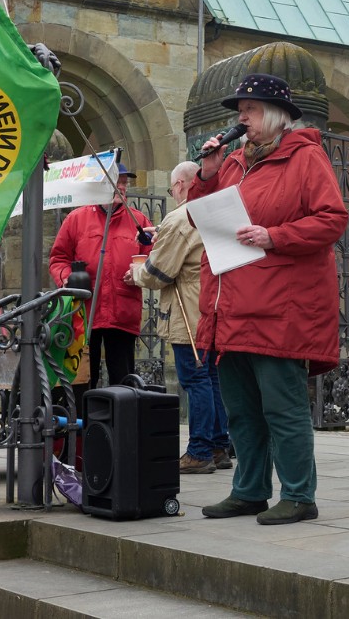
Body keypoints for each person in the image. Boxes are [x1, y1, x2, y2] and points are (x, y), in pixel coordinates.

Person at [190, 73, 348, 525]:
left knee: (283, 407)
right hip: (233, 304)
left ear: (276, 116)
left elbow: (332, 219)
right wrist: (206, 174)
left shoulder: (306, 157)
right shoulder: (235, 163)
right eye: (240, 112)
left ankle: (299, 494)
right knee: (242, 410)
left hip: (281, 306)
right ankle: (249, 490)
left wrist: (274, 236)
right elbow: (205, 216)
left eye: (250, 110)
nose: (242, 119)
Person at [131, 161, 231, 475]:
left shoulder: (179, 217)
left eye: (173, 187)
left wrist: (136, 273)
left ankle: (199, 451)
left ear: (181, 185)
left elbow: (159, 273)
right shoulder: (213, 211)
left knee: (195, 380)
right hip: (213, 306)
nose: (172, 192)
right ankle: (218, 446)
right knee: (212, 380)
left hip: (189, 311)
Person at [49, 161, 151, 405]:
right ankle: (81, 436)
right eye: (118, 181)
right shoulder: (76, 219)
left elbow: (155, 257)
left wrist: (142, 272)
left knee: (123, 382)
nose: (123, 187)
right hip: (83, 313)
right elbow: (58, 259)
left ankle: (121, 435)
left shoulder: (139, 221)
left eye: (125, 182)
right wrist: (68, 280)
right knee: (82, 379)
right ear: (101, 184)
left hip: (122, 314)